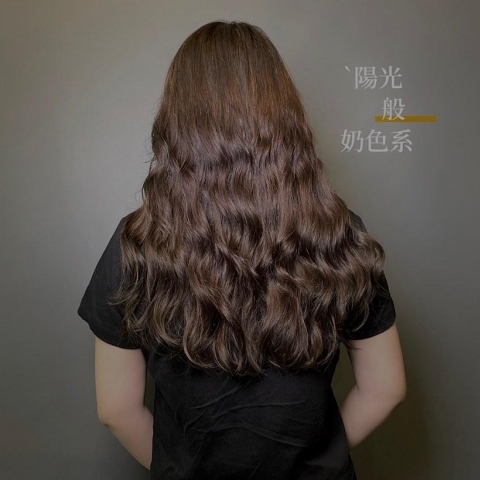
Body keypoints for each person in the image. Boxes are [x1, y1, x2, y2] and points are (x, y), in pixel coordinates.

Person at [77, 20, 406, 480]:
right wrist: (321, 459)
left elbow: (116, 409)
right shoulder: (337, 233)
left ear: (177, 119)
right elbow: (385, 388)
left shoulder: (138, 243)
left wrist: (179, 468)